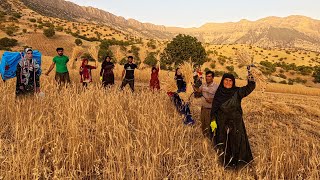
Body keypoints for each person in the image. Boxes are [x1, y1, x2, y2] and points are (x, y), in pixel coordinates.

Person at [211, 73, 256, 169]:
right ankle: (227, 164)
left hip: (236, 123)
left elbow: (249, 87)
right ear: (222, 81)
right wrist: (213, 121)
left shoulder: (237, 91)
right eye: (226, 80)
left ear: (233, 82)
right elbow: (214, 109)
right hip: (222, 123)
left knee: (236, 143)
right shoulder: (219, 93)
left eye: (230, 80)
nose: (228, 82)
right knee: (224, 143)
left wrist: (250, 76)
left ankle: (239, 164)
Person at [193, 70, 218, 139]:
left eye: (209, 76)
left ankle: (213, 139)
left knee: (212, 125)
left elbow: (220, 98)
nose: (207, 78)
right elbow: (198, 91)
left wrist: (212, 100)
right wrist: (193, 86)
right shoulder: (203, 85)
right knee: (204, 125)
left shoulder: (216, 86)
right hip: (203, 108)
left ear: (213, 78)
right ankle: (205, 140)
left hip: (211, 110)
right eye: (206, 76)